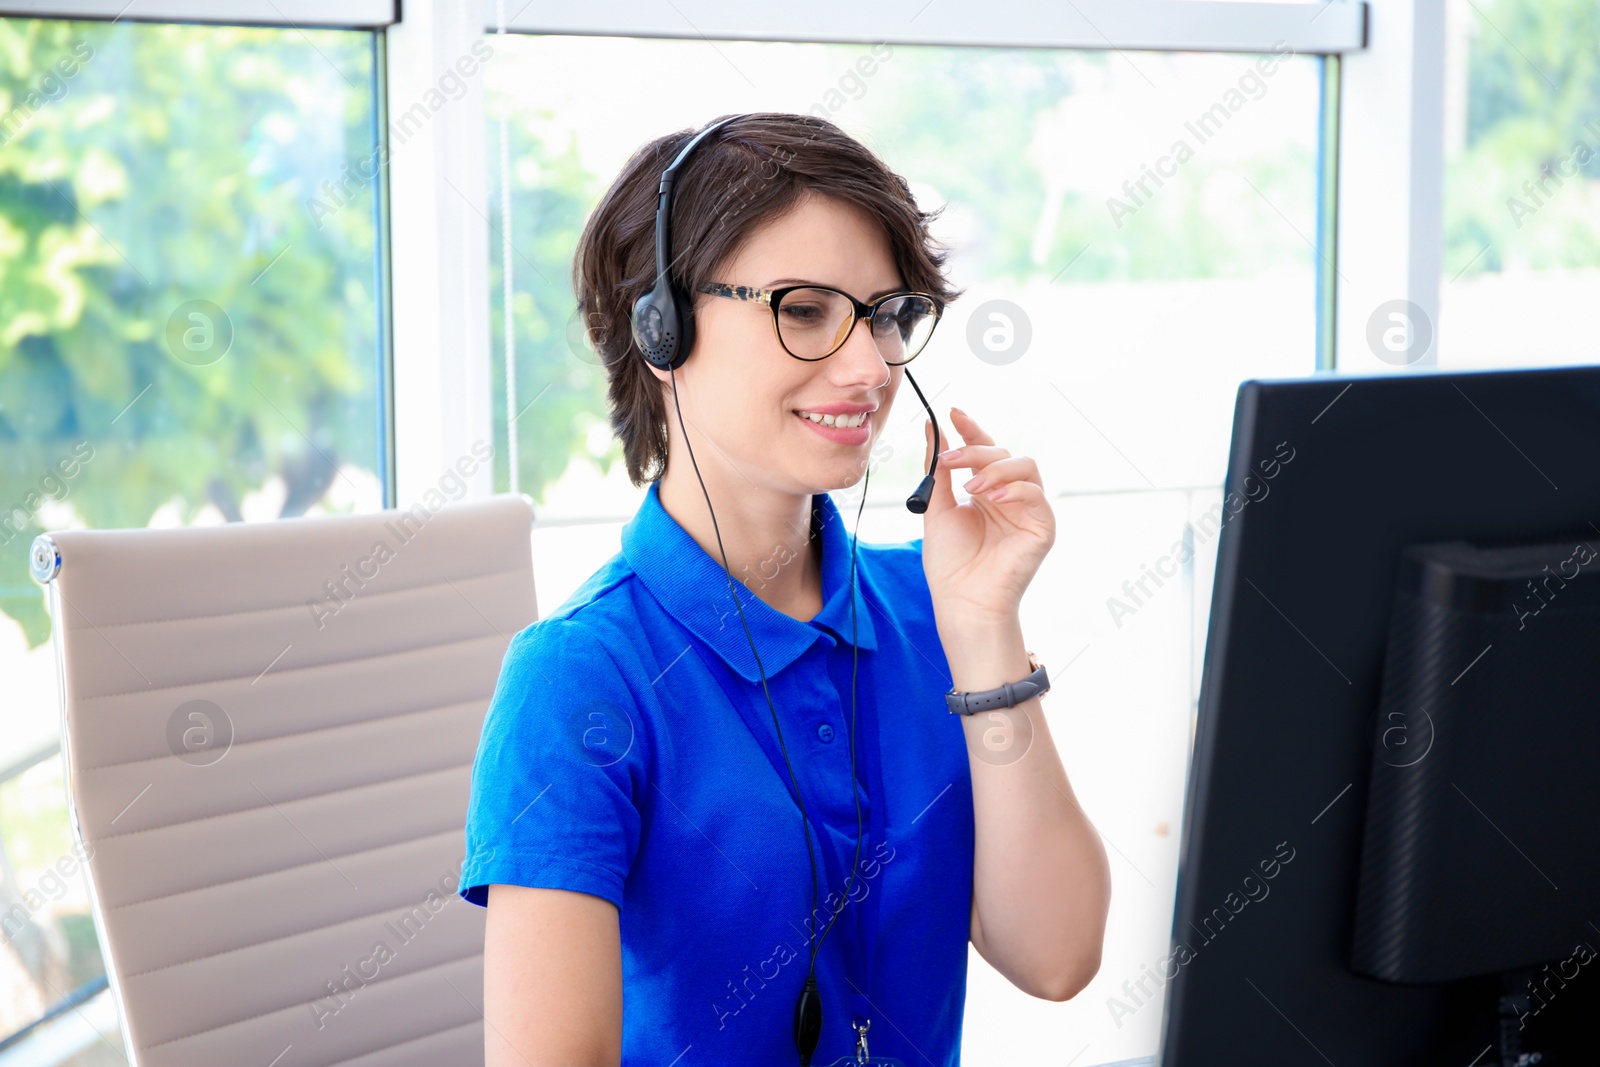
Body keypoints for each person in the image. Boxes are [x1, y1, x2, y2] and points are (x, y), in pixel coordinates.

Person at [458, 111, 1110, 1067]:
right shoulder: (582, 676)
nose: (869, 367)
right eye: (804, 309)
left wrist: (983, 628)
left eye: (886, 315)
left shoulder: (934, 607)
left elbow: (1057, 956)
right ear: (661, 327)